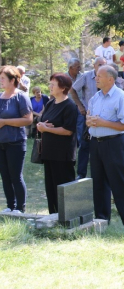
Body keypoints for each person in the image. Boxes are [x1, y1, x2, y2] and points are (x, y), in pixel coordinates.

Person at [87, 65, 124, 228]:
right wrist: (89, 121)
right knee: (99, 182)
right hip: (96, 143)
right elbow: (89, 117)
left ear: (110, 79)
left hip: (114, 143)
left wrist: (103, 122)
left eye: (99, 76)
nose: (96, 78)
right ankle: (102, 218)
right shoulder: (95, 97)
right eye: (96, 76)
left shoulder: (121, 97)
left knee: (120, 182)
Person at [37, 73, 78, 214]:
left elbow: (68, 130)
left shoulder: (70, 106)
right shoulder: (50, 103)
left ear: (62, 88)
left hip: (63, 154)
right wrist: (42, 125)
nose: (50, 87)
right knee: (51, 186)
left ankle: (68, 215)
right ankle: (53, 214)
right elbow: (43, 122)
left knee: (63, 185)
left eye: (53, 84)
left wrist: (46, 128)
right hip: (49, 152)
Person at [0, 66, 33, 214]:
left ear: (13, 80)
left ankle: (20, 207)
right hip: (1, 143)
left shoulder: (21, 97)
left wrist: (5, 122)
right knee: (5, 176)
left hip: (16, 142)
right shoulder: (0, 97)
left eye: (3, 78)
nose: (0, 81)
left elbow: (28, 120)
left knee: (15, 175)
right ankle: (10, 206)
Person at [70, 57, 106, 179]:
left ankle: (101, 172)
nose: (101, 67)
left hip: (104, 117)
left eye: (104, 65)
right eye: (99, 64)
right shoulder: (86, 76)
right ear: (94, 65)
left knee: (102, 144)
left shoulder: (108, 76)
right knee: (85, 144)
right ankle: (81, 174)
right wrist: (79, 105)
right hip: (88, 116)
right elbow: (73, 89)